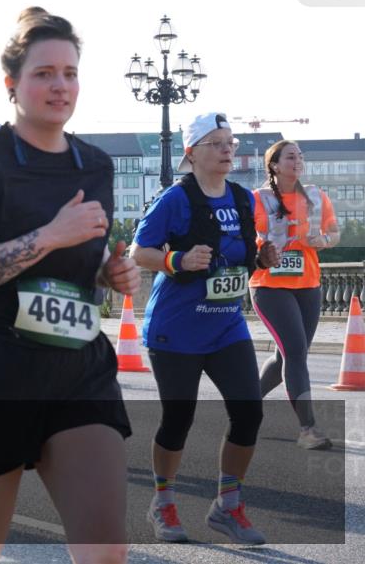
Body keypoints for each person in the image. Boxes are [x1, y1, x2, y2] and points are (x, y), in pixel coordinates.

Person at [0, 7, 139, 564]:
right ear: (12, 84)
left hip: (77, 370)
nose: (60, 86)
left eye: (70, 72)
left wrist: (110, 274)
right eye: (44, 73)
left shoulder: (96, 165)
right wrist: (49, 236)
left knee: (107, 551)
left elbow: (78, 269)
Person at [130, 112, 278, 546]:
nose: (228, 149)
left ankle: (228, 507)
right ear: (192, 153)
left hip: (226, 324)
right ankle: (163, 503)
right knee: (179, 417)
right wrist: (176, 260)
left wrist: (261, 257)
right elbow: (141, 252)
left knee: (249, 412)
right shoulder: (174, 200)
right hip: (176, 328)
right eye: (217, 143)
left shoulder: (241, 198)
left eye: (231, 142)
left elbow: (240, 252)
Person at [252, 140, 341, 449]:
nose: (298, 161)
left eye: (300, 156)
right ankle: (308, 429)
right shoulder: (257, 199)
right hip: (269, 287)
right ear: (274, 164)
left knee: (285, 357)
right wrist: (261, 248)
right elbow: (245, 237)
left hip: (309, 285)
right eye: (291, 156)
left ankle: (245, 404)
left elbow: (335, 232)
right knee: (296, 352)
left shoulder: (316, 196)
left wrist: (324, 240)